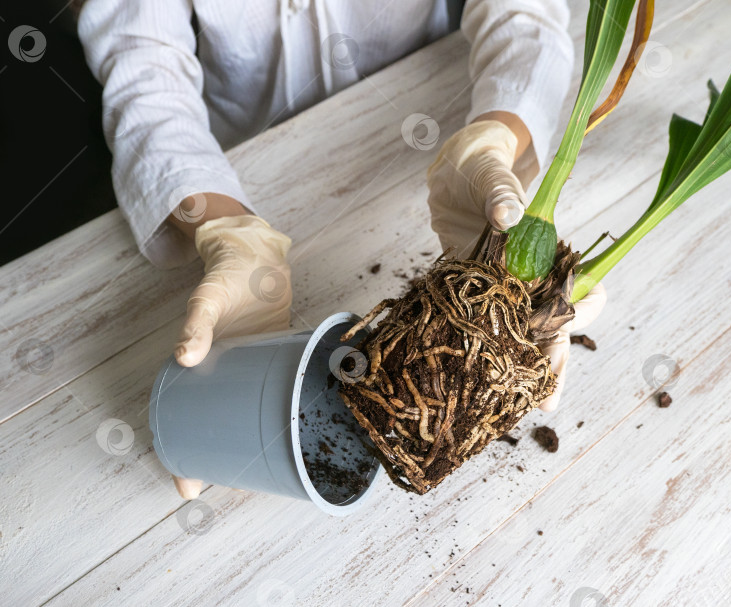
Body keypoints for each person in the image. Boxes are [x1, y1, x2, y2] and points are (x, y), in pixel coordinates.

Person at [77, 0, 605, 499]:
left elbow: (526, 13)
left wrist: (493, 139)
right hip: (236, 161)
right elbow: (143, 62)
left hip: (411, 132)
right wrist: (226, 228)